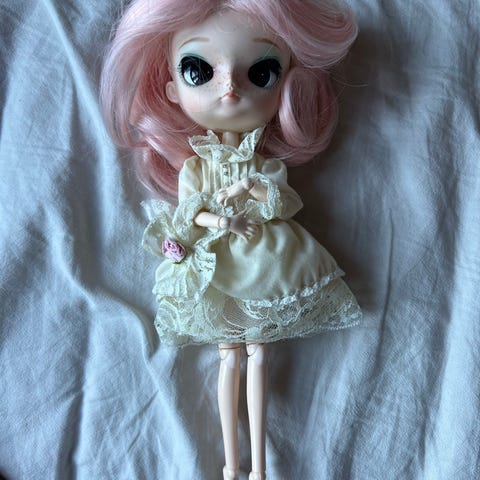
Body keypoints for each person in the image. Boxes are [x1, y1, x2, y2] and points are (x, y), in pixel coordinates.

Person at [101, 1, 361, 478]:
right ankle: (231, 464)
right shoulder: (196, 167)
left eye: (261, 73)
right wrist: (224, 223)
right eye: (198, 70)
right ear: (171, 89)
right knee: (229, 357)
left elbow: (283, 202)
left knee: (257, 355)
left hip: (266, 262)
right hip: (217, 266)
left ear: (287, 84)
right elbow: (189, 213)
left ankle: (258, 466)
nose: (230, 87)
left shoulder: (264, 164)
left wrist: (250, 188)